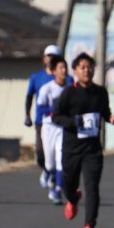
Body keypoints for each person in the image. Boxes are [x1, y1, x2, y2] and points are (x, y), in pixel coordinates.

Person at [53, 52, 114, 228]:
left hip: (92, 149)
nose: (87, 70)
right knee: (68, 185)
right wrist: (75, 122)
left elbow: (105, 112)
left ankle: (89, 227)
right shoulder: (69, 93)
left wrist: (110, 118)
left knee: (92, 188)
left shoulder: (100, 92)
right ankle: (73, 199)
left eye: (90, 67)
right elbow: (56, 116)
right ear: (75, 71)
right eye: (82, 67)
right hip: (72, 148)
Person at [25, 44, 64, 190]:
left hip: (61, 123)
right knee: (41, 154)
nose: (51, 58)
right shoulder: (37, 77)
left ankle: (56, 183)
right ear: (44, 59)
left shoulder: (65, 78)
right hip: (42, 122)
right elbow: (29, 97)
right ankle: (47, 171)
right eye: (49, 55)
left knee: (59, 155)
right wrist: (27, 115)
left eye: (55, 56)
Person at [36, 55, 69, 205]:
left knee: (61, 160)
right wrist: (53, 109)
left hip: (63, 128)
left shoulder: (69, 89)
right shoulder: (47, 88)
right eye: (60, 68)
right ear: (54, 71)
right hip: (49, 127)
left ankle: (57, 190)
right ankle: (48, 173)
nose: (64, 71)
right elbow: (40, 108)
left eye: (65, 68)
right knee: (50, 163)